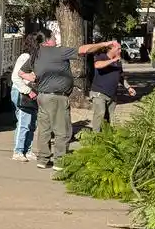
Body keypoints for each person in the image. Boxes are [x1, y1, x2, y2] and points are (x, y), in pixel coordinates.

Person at [20, 31, 119, 171]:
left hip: (42, 97)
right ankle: (60, 161)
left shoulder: (36, 54)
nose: (56, 40)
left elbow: (21, 72)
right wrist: (104, 44)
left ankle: (43, 159)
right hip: (58, 98)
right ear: (48, 41)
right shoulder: (58, 51)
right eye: (54, 37)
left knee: (45, 129)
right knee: (63, 130)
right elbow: (84, 49)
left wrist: (35, 79)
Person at [10, 33, 45, 162]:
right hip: (21, 92)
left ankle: (27, 150)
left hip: (32, 93)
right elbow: (15, 77)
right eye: (42, 43)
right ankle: (18, 151)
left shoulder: (36, 58)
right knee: (24, 122)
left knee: (32, 123)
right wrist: (27, 90)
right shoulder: (25, 57)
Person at [90, 42, 137, 131]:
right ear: (111, 49)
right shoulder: (102, 56)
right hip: (99, 92)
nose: (120, 50)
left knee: (110, 118)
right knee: (100, 113)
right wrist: (112, 60)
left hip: (112, 95)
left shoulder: (118, 61)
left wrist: (129, 88)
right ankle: (95, 137)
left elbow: (121, 77)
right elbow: (97, 65)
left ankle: (107, 137)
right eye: (118, 49)